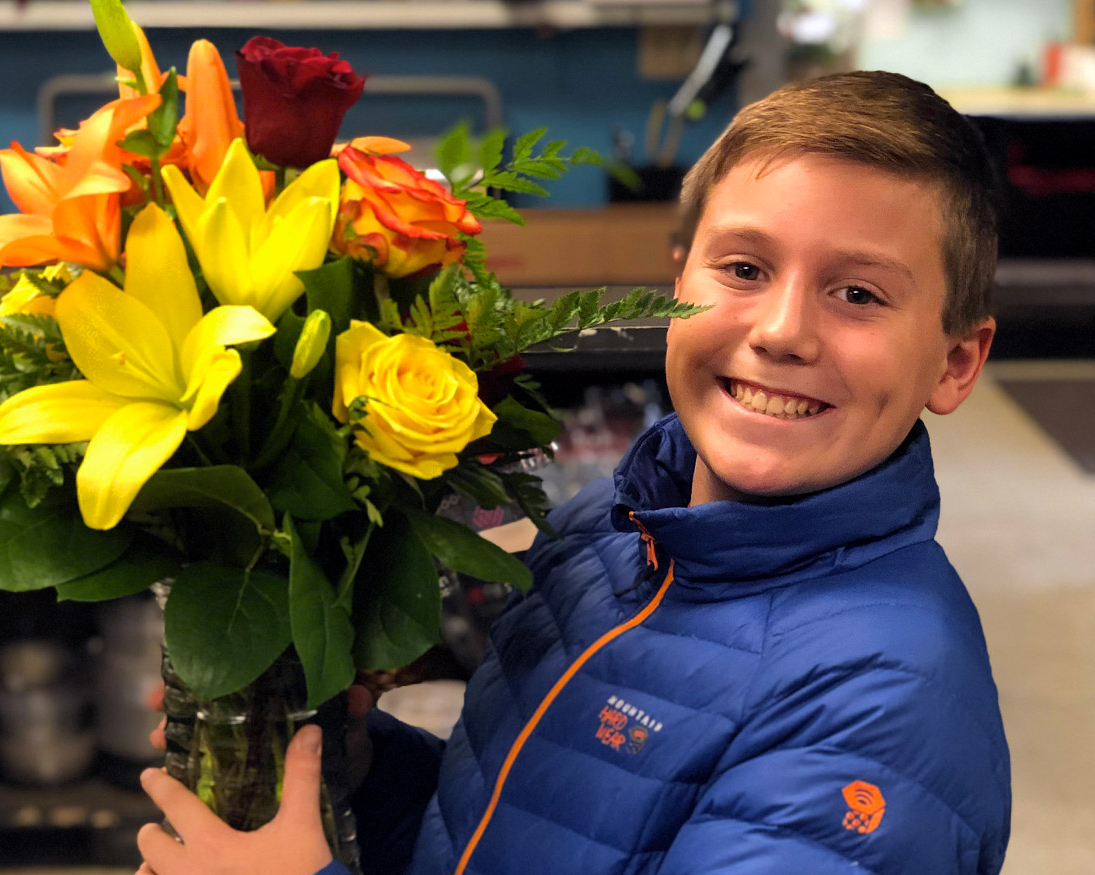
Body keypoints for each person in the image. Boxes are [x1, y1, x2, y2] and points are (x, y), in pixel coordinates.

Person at [135, 70, 1012, 875]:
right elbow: (518, 831)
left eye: (858, 293)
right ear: (678, 283)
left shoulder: (880, 700)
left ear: (956, 362)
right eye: (744, 268)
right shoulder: (607, 535)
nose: (783, 329)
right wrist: (369, 773)